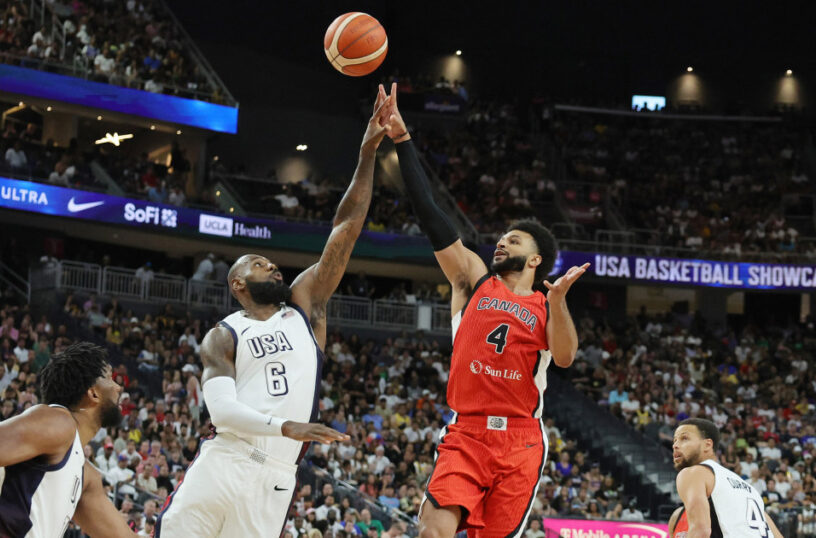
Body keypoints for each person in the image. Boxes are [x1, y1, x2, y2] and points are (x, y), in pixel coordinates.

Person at [155, 86, 391, 537]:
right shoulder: (223, 335)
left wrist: (366, 156)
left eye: (272, 261)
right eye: (259, 264)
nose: (273, 265)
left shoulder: (304, 308)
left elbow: (345, 229)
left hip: (276, 478)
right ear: (238, 284)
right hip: (225, 458)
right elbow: (222, 412)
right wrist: (288, 425)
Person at [379, 82, 589, 538]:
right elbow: (432, 214)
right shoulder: (474, 281)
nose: (501, 241)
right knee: (432, 529)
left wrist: (557, 302)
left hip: (521, 439)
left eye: (514, 239)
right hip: (468, 432)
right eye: (501, 236)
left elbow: (567, 357)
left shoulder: (545, 304)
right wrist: (402, 140)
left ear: (535, 259)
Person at [0, 342, 138, 538]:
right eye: (109, 378)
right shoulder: (58, 422)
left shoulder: (85, 474)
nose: (119, 387)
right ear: (93, 393)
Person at [668, 418, 784, 538]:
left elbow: (700, 531)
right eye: (675, 440)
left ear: (707, 444)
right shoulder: (750, 490)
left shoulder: (694, 473)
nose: (675, 445)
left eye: (684, 438)